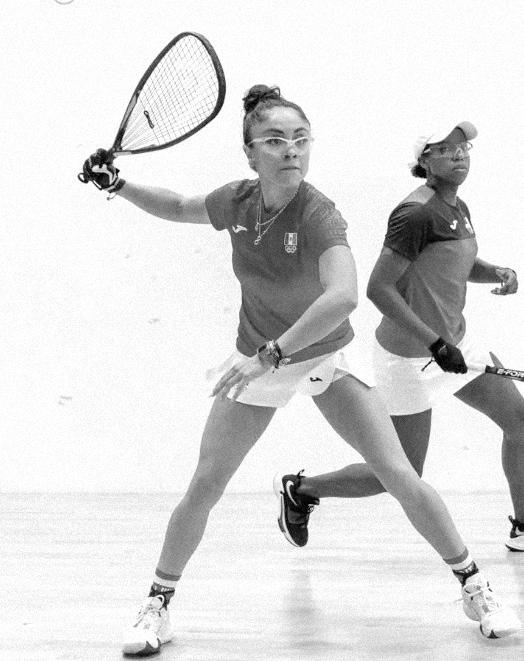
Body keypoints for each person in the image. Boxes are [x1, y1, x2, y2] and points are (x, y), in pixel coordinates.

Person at [81, 94, 520, 656]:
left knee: (400, 474)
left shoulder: (319, 214)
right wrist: (118, 185)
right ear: (250, 154)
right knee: (206, 484)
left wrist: (272, 352)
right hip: (259, 362)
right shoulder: (238, 201)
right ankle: (157, 605)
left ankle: (475, 588)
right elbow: (181, 205)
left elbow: (343, 297)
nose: (290, 150)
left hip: (322, 359)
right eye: (275, 141)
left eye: (300, 139)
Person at [277, 120, 524, 555]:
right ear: (425, 160)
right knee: (403, 473)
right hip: (409, 358)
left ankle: (522, 528)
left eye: (463, 147)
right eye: (445, 149)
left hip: (456, 344)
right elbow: (379, 288)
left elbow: (456, 263)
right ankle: (303, 489)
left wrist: (496, 272)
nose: (459, 154)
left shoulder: (456, 207)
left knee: (519, 422)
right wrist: (433, 343)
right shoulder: (415, 214)